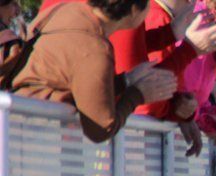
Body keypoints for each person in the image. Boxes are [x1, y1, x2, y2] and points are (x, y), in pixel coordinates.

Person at [11, 0, 177, 142]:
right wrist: (137, 95)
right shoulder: (95, 49)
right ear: (134, 11)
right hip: (35, 143)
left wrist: (126, 80)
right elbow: (101, 129)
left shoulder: (66, 11)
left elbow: (75, 82)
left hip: (18, 129)